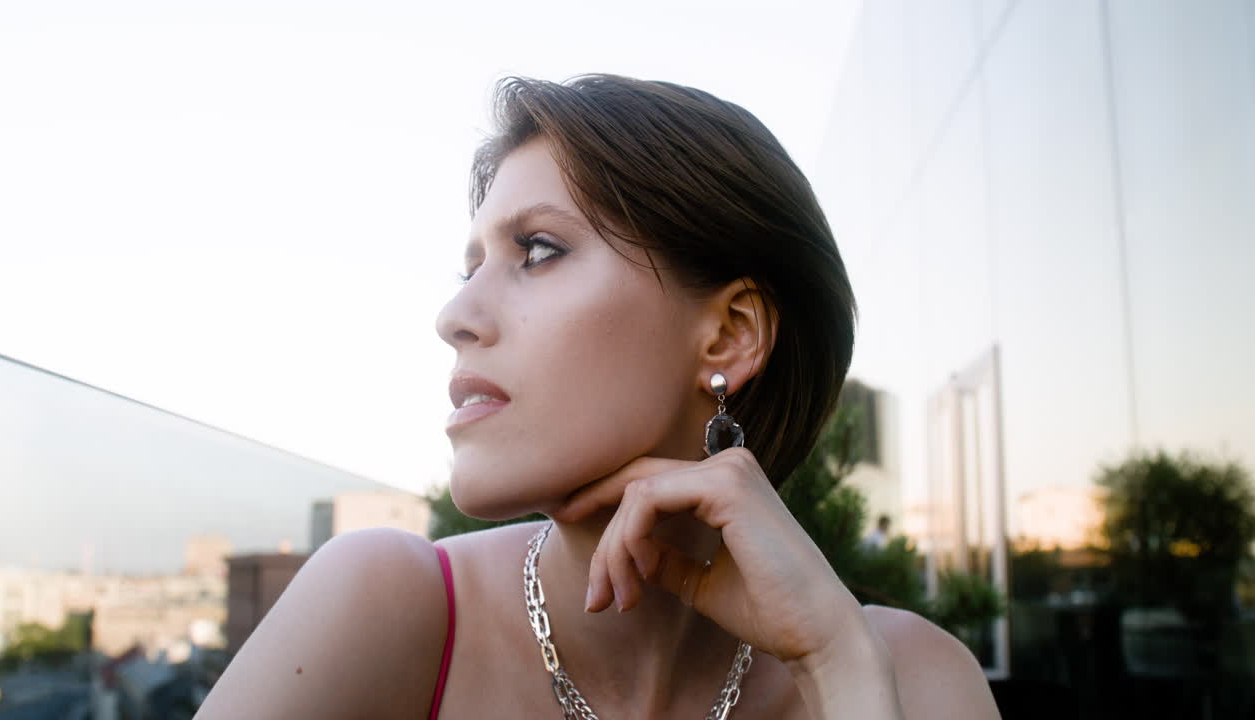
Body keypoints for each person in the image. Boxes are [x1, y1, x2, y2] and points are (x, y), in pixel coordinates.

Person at [195, 74, 1000, 719]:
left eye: (537, 251)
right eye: (469, 268)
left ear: (727, 336)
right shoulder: (387, 605)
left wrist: (839, 667)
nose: (455, 317)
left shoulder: (912, 678)